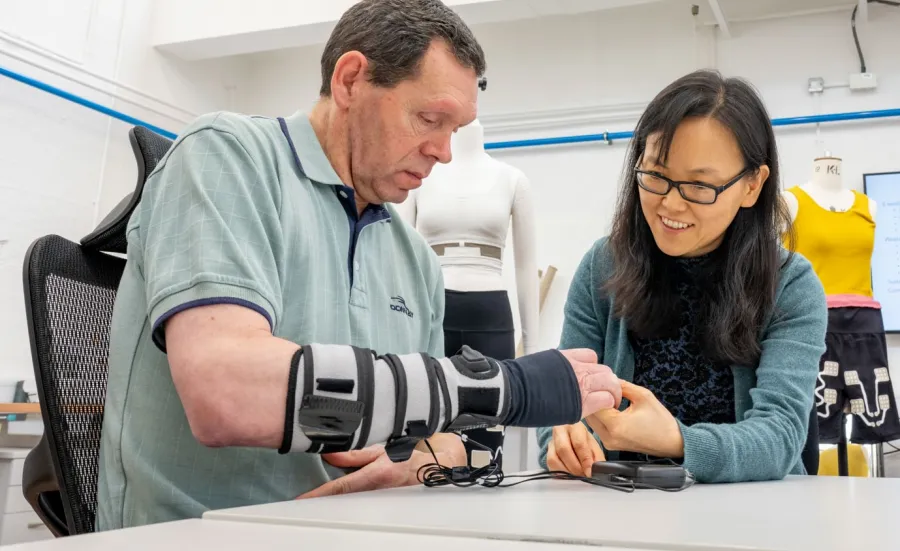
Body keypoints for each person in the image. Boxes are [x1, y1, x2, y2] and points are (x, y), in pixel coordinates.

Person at [95, 0, 622, 531]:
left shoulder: (413, 257)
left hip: (351, 533)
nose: (443, 152)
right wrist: (499, 386)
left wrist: (431, 459)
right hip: (197, 534)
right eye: (429, 118)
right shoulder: (227, 157)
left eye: (454, 129)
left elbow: (433, 431)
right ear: (349, 81)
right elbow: (224, 393)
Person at [537, 70, 828, 484]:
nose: (670, 204)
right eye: (655, 175)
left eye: (699, 185)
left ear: (752, 186)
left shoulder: (789, 285)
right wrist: (564, 436)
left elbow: (780, 438)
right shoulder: (604, 265)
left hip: (754, 513)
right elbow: (561, 404)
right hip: (620, 508)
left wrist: (677, 440)